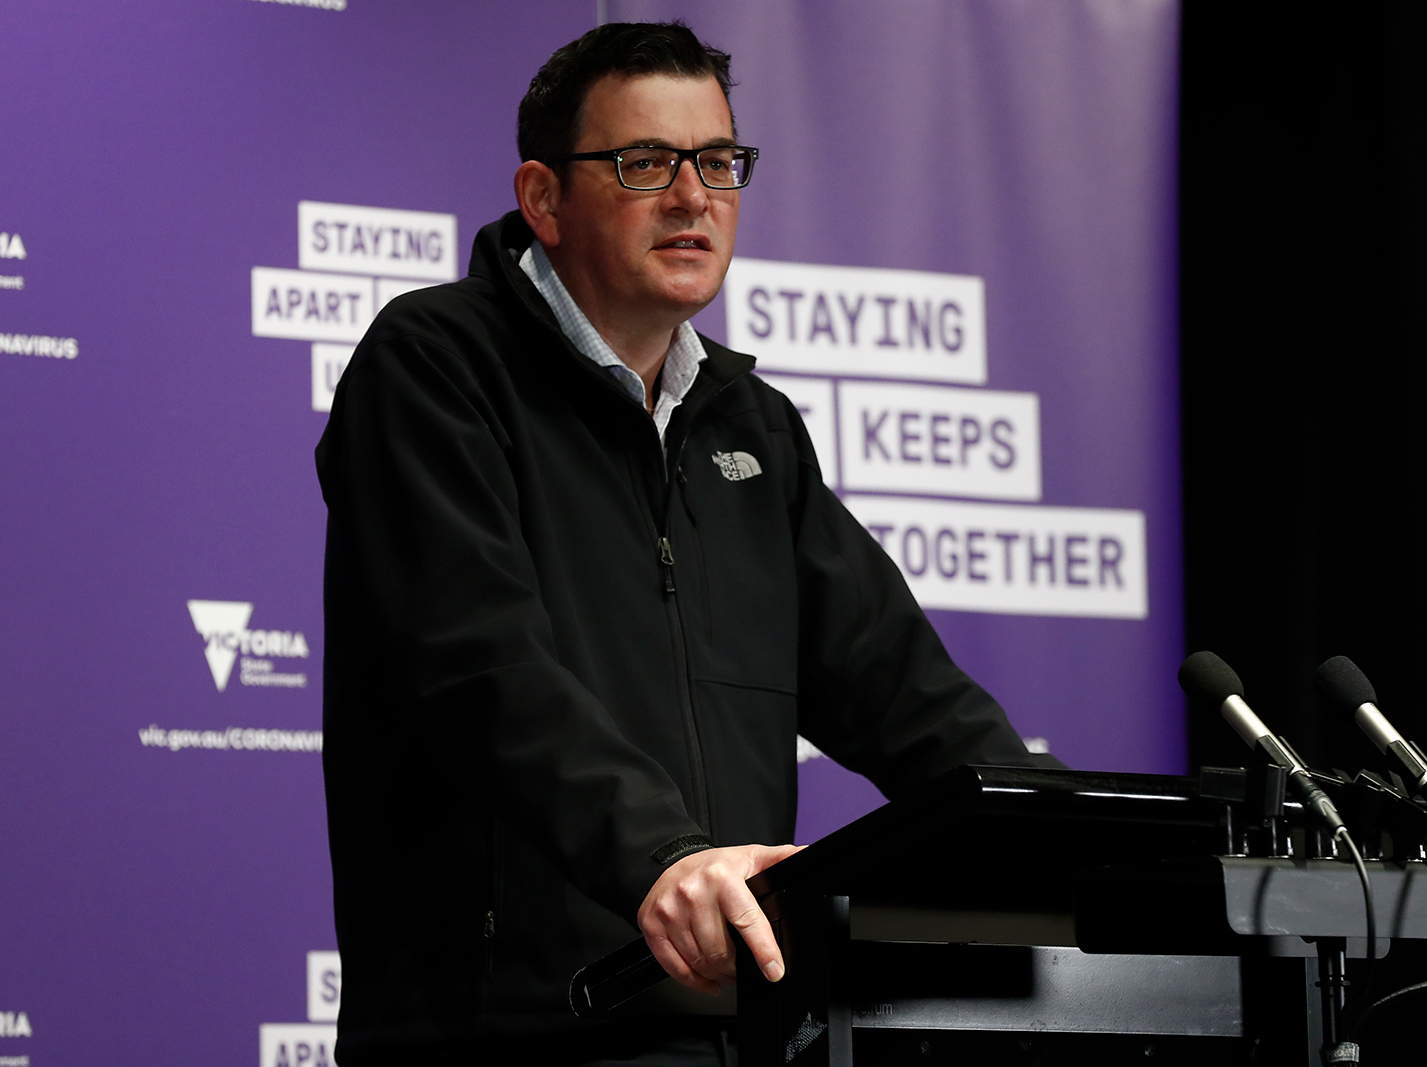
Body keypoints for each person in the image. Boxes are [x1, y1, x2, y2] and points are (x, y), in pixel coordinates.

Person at [315, 20, 1049, 1067]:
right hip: (509, 1027)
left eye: (717, 162)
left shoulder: (748, 424)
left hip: (737, 1023)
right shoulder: (435, 369)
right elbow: (480, 670)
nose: (693, 197)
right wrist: (666, 856)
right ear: (542, 198)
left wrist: (1040, 826)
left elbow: (897, 682)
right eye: (644, 162)